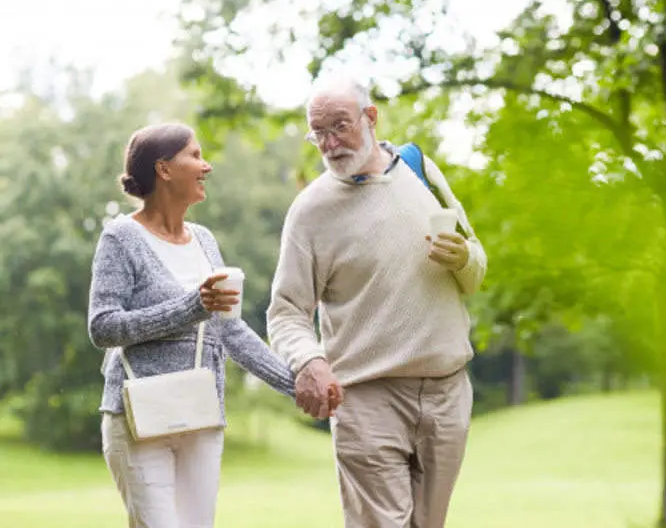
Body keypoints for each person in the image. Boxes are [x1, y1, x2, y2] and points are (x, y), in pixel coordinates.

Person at [266, 77, 488, 528]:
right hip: (367, 398)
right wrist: (309, 360)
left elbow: (476, 265)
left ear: (370, 118)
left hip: (447, 392)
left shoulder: (419, 167)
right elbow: (286, 311)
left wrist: (464, 258)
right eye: (318, 133)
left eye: (339, 127)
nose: (329, 144)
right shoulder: (310, 211)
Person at [87, 123, 307, 528]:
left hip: (201, 415)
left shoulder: (204, 240)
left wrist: (296, 385)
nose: (206, 166)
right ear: (164, 169)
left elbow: (230, 330)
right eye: (195, 155)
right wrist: (191, 306)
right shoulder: (120, 237)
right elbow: (103, 327)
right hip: (138, 419)